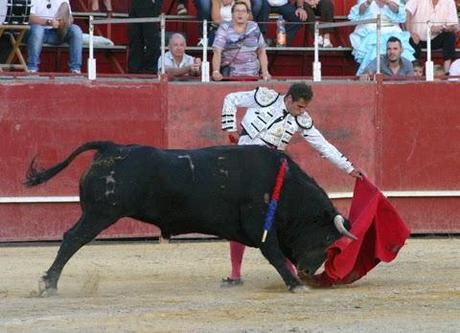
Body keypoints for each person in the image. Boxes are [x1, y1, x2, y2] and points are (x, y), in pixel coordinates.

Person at [220, 82, 363, 286]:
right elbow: (231, 99)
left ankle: (292, 270)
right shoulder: (265, 98)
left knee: (274, 220)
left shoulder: (301, 120)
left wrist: (348, 168)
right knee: (239, 218)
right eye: (299, 106)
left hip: (269, 171)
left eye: (304, 108)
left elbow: (322, 145)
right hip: (243, 164)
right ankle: (236, 274)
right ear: (289, 99)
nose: (301, 111)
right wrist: (230, 128)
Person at [348, 0, 415, 75]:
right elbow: (359, 12)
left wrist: (387, 2)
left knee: (398, 46)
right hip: (372, 28)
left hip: (392, 28)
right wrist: (368, 3)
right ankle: (370, 74)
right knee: (372, 48)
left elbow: (399, 12)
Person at [212, 1, 270, 80]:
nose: (240, 14)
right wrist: (216, 71)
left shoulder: (254, 27)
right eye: (237, 11)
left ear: (247, 15)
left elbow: (261, 51)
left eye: (243, 11)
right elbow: (217, 51)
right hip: (230, 75)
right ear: (232, 14)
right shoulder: (224, 27)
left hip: (253, 75)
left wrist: (265, 72)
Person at [26, 0, 82, 74]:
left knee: (76, 30)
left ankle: (75, 69)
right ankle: (32, 68)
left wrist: (64, 22)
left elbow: (70, 18)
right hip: (37, 32)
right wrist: (48, 22)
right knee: (37, 30)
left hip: (58, 33)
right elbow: (29, 17)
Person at [405, 0, 459, 74]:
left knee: (450, 36)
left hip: (436, 38)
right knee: (411, 41)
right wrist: (411, 33)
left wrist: (442, 28)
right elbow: (408, 13)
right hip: (418, 38)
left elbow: (455, 26)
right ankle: (414, 73)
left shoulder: (449, 1)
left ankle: (447, 72)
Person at [127, 0, 162, 74]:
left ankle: (151, 68)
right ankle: (135, 68)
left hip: (149, 4)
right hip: (136, 4)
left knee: (151, 37)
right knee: (135, 37)